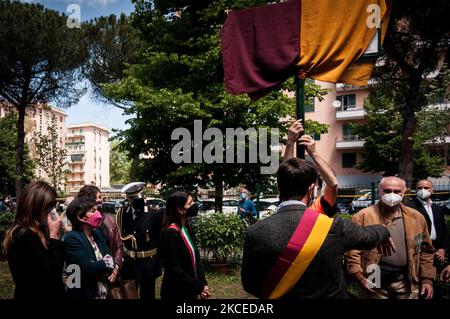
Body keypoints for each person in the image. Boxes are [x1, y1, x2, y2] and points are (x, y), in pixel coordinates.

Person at [241, 158, 394, 299]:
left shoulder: (255, 231)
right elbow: (369, 236)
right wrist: (384, 232)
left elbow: (250, 284)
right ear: (311, 188)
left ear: (278, 186)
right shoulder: (332, 226)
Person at [346, 176, 436, 299]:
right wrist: (359, 277)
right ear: (379, 191)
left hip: (406, 276)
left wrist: (427, 279)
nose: (392, 195)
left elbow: (426, 250)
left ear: (404, 192)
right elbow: (352, 250)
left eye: (397, 191)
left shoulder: (416, 217)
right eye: (387, 191)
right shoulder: (363, 216)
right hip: (374, 273)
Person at [3, 181, 65, 299]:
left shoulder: (37, 230)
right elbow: (51, 277)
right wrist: (54, 237)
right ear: (35, 207)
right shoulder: (24, 236)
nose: (51, 212)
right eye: (48, 208)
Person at [116, 182, 164, 299]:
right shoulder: (122, 213)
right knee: (129, 293)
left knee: (147, 294)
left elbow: (160, 239)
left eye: (138, 197)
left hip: (148, 262)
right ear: (127, 198)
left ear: (144, 196)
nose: (136, 200)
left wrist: (160, 261)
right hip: (130, 262)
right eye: (132, 198)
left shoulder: (154, 214)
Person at [159, 191, 210, 300]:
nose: (194, 205)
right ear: (179, 209)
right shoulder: (170, 233)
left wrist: (203, 283)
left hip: (190, 289)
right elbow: (175, 268)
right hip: (176, 292)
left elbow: (196, 259)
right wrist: (198, 287)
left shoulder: (187, 227)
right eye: (190, 203)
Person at [284, 120, 338, 217]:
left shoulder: (320, 205)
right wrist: (290, 143)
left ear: (312, 186)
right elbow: (286, 174)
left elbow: (332, 183)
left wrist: (314, 154)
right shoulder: (288, 202)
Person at [64, 197, 115, 299]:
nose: (98, 213)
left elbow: (109, 257)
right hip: (83, 293)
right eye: (93, 211)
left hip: (102, 291)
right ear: (81, 217)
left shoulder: (97, 233)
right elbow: (87, 268)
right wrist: (104, 263)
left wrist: (97, 263)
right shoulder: (72, 238)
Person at [77, 185, 123, 286]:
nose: (99, 200)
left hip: (111, 273)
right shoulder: (80, 227)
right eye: (95, 198)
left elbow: (119, 245)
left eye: (100, 197)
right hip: (90, 278)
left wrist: (115, 269)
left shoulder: (110, 219)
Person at [404, 179, 449, 269]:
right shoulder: (409, 208)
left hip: (437, 250)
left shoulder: (437, 208)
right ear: (415, 190)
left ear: (433, 190)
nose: (423, 190)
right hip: (419, 250)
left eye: (426, 188)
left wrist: (443, 248)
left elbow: (443, 230)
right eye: (419, 188)